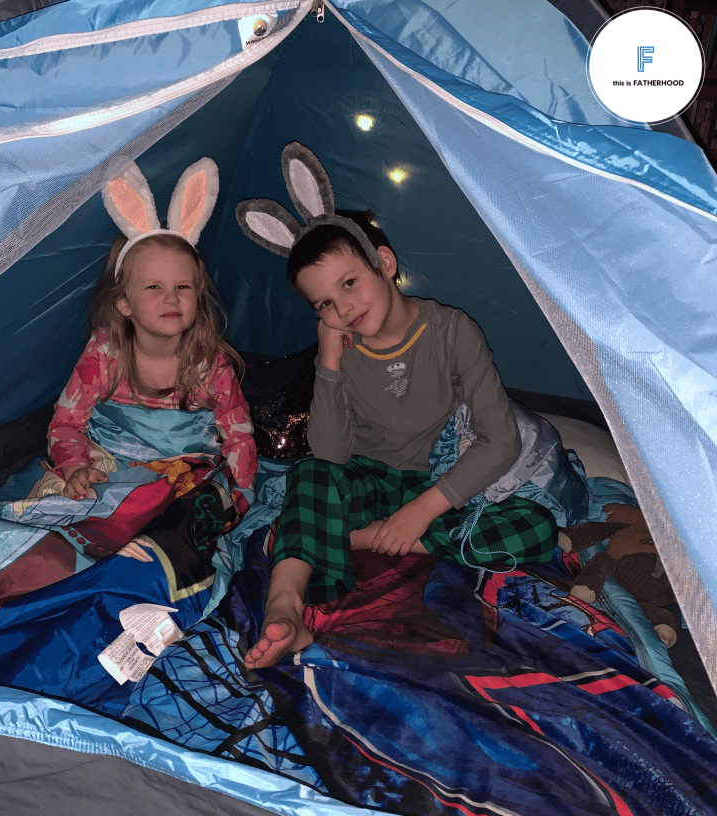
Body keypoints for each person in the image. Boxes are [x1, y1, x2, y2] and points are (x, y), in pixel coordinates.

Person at [236, 142, 557, 668]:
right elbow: (331, 455)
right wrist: (329, 363)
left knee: (536, 527)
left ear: (383, 264)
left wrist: (419, 514)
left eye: (349, 284)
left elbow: (501, 441)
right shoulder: (340, 349)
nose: (343, 308)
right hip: (371, 480)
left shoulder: (451, 331)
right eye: (325, 303)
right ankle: (285, 607)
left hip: (440, 487)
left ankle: (356, 540)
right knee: (309, 478)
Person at [49, 157, 256, 514]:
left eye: (182, 287)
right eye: (154, 287)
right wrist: (75, 468)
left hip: (183, 481)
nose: (171, 298)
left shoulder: (210, 363)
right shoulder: (105, 353)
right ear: (124, 303)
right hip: (112, 472)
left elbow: (238, 435)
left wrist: (240, 493)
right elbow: (67, 422)